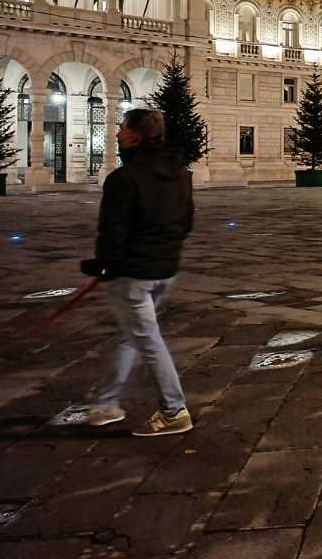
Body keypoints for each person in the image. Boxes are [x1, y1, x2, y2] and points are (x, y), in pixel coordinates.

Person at [80, 109, 194, 437]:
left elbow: (112, 233)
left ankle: (174, 411)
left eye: (121, 129)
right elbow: (186, 224)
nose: (116, 135)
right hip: (165, 269)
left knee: (147, 340)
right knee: (133, 334)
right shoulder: (181, 174)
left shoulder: (123, 178)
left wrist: (104, 266)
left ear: (134, 137)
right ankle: (105, 403)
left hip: (133, 274)